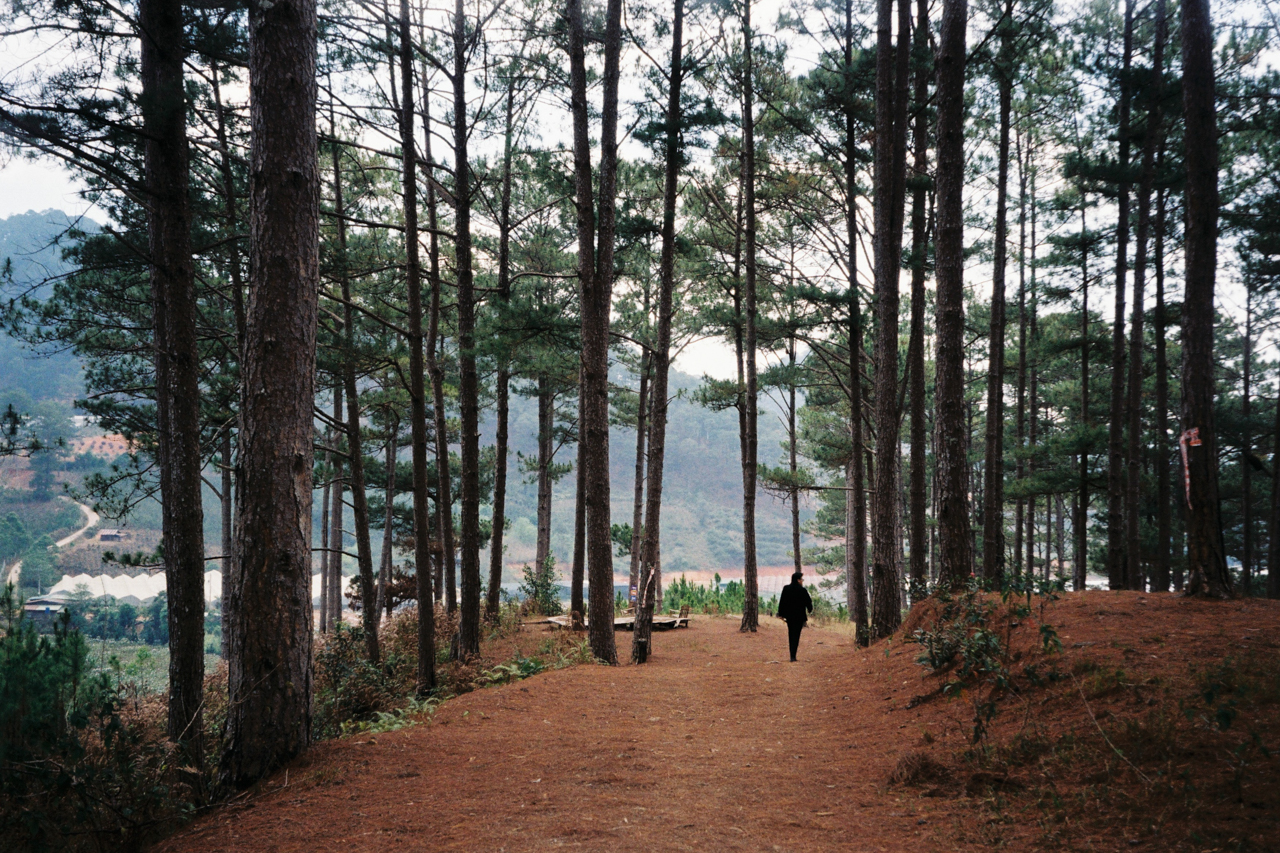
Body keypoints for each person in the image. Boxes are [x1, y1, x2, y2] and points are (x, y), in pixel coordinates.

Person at [775, 571, 813, 662]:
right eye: (801, 579)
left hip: (790, 617)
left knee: (791, 634)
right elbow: (808, 602)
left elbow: (782, 602)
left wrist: (781, 614)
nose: (802, 581)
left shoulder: (786, 588)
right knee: (796, 635)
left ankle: (792, 655)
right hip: (799, 617)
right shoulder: (802, 590)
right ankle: (793, 655)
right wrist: (809, 609)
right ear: (798, 580)